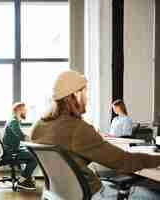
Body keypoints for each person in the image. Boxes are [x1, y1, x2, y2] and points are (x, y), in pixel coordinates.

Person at [30, 70, 160, 199]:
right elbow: (124, 161)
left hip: (63, 194)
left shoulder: (38, 127)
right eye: (85, 92)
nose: (88, 97)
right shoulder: (77, 128)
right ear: (76, 94)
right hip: (92, 194)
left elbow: (68, 158)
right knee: (153, 195)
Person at [3, 102, 37, 190]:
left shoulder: (14, 120)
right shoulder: (13, 121)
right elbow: (21, 136)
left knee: (30, 151)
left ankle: (26, 177)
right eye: (24, 110)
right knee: (35, 157)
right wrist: (35, 140)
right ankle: (22, 181)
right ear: (19, 110)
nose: (26, 112)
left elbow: (21, 136)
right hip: (11, 153)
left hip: (12, 149)